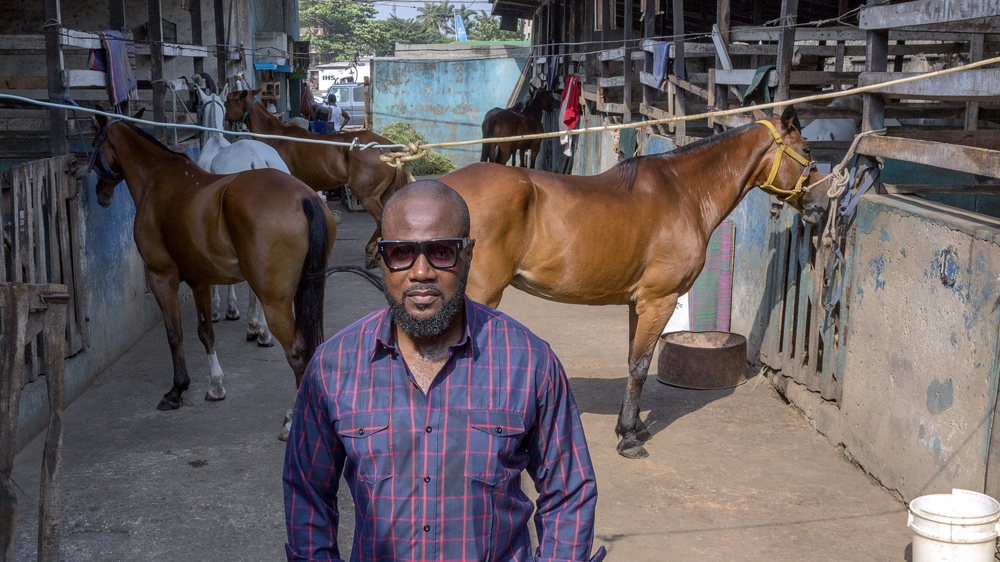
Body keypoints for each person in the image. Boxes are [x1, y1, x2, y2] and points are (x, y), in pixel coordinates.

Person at [284, 181, 603, 562]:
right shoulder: (333, 368)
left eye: (440, 252)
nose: (421, 272)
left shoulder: (528, 361)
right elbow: (307, 493)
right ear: (382, 259)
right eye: (401, 253)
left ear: (467, 255)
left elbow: (569, 491)